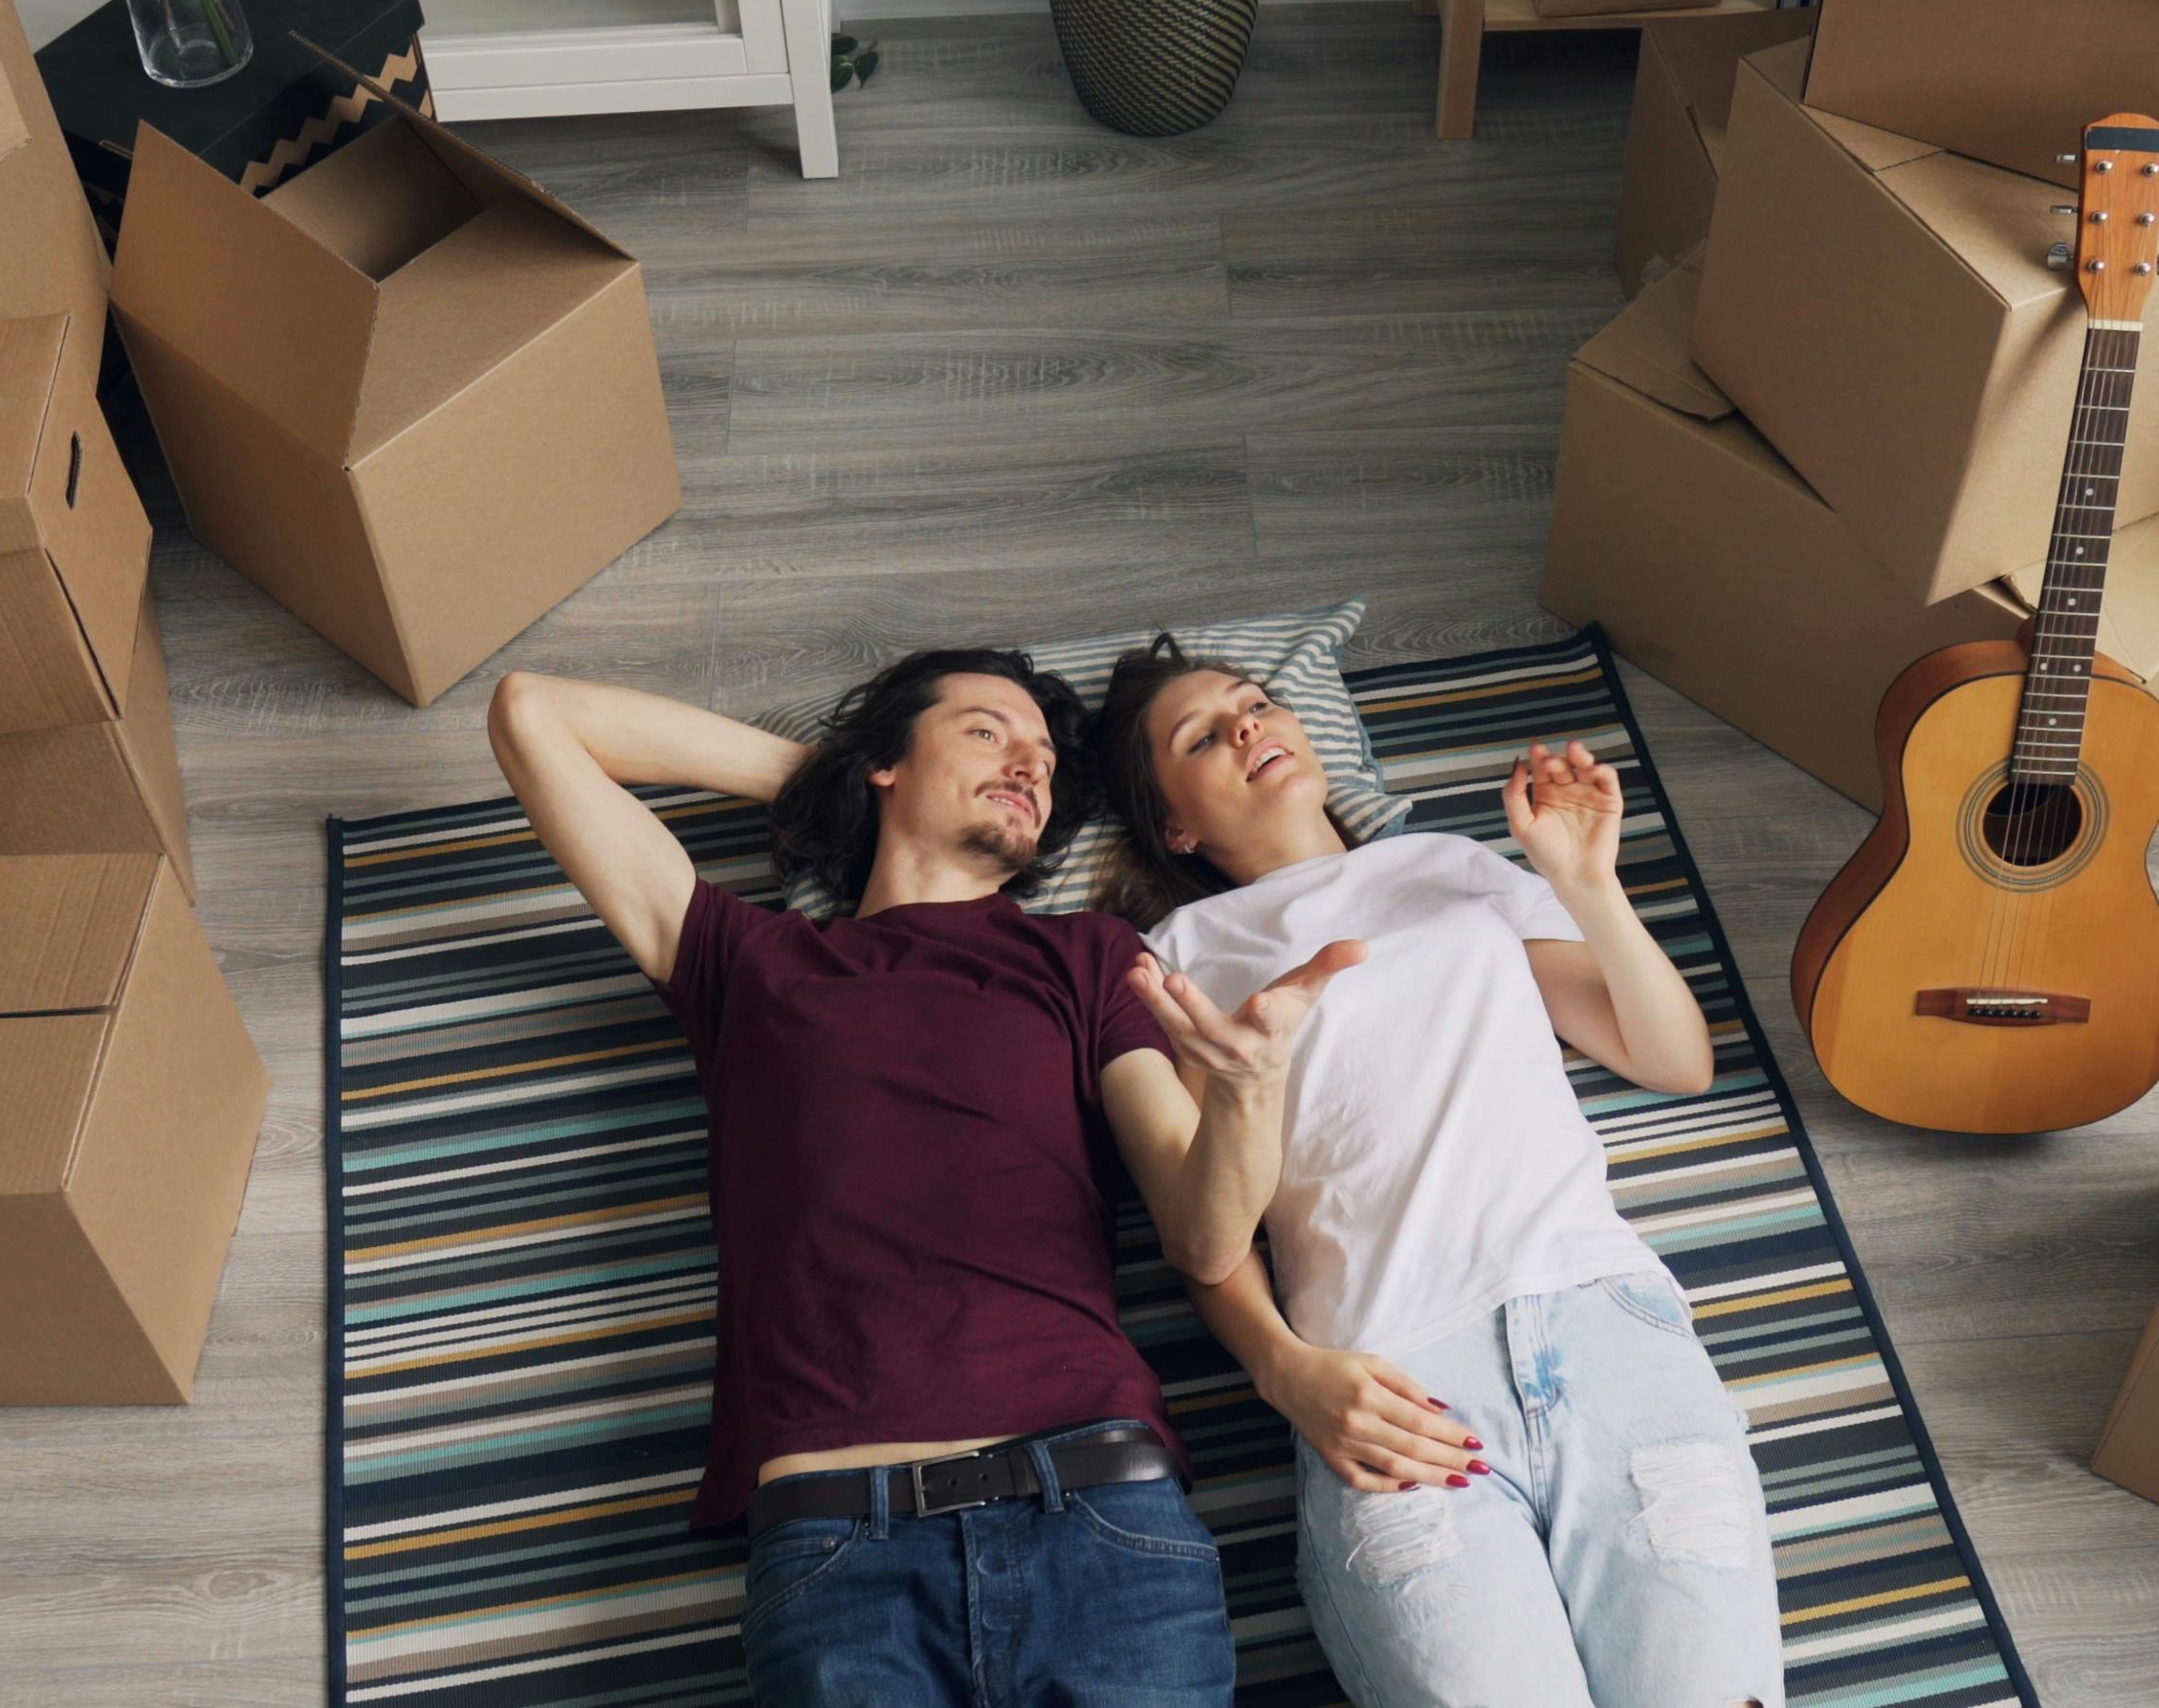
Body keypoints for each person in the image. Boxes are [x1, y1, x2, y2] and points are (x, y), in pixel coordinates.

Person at [486, 649, 1362, 1707]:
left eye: (1043, 759)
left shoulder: (1091, 956)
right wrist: (835, 777)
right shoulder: (748, 959)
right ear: (887, 763)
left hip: (1098, 1518)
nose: (1029, 767)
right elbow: (535, 713)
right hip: (838, 1552)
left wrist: (1248, 1090)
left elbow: (1204, 1233)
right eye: (989, 731)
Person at [1096, 635, 1785, 1708]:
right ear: (1173, 824)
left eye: (1257, 701)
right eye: (1201, 734)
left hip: (1609, 1330)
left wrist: (1587, 886)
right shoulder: (1175, 959)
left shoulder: (1455, 868)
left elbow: (1673, 1060)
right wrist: (1284, 1369)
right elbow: (1205, 1237)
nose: (1248, 726)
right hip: (1394, 1378)